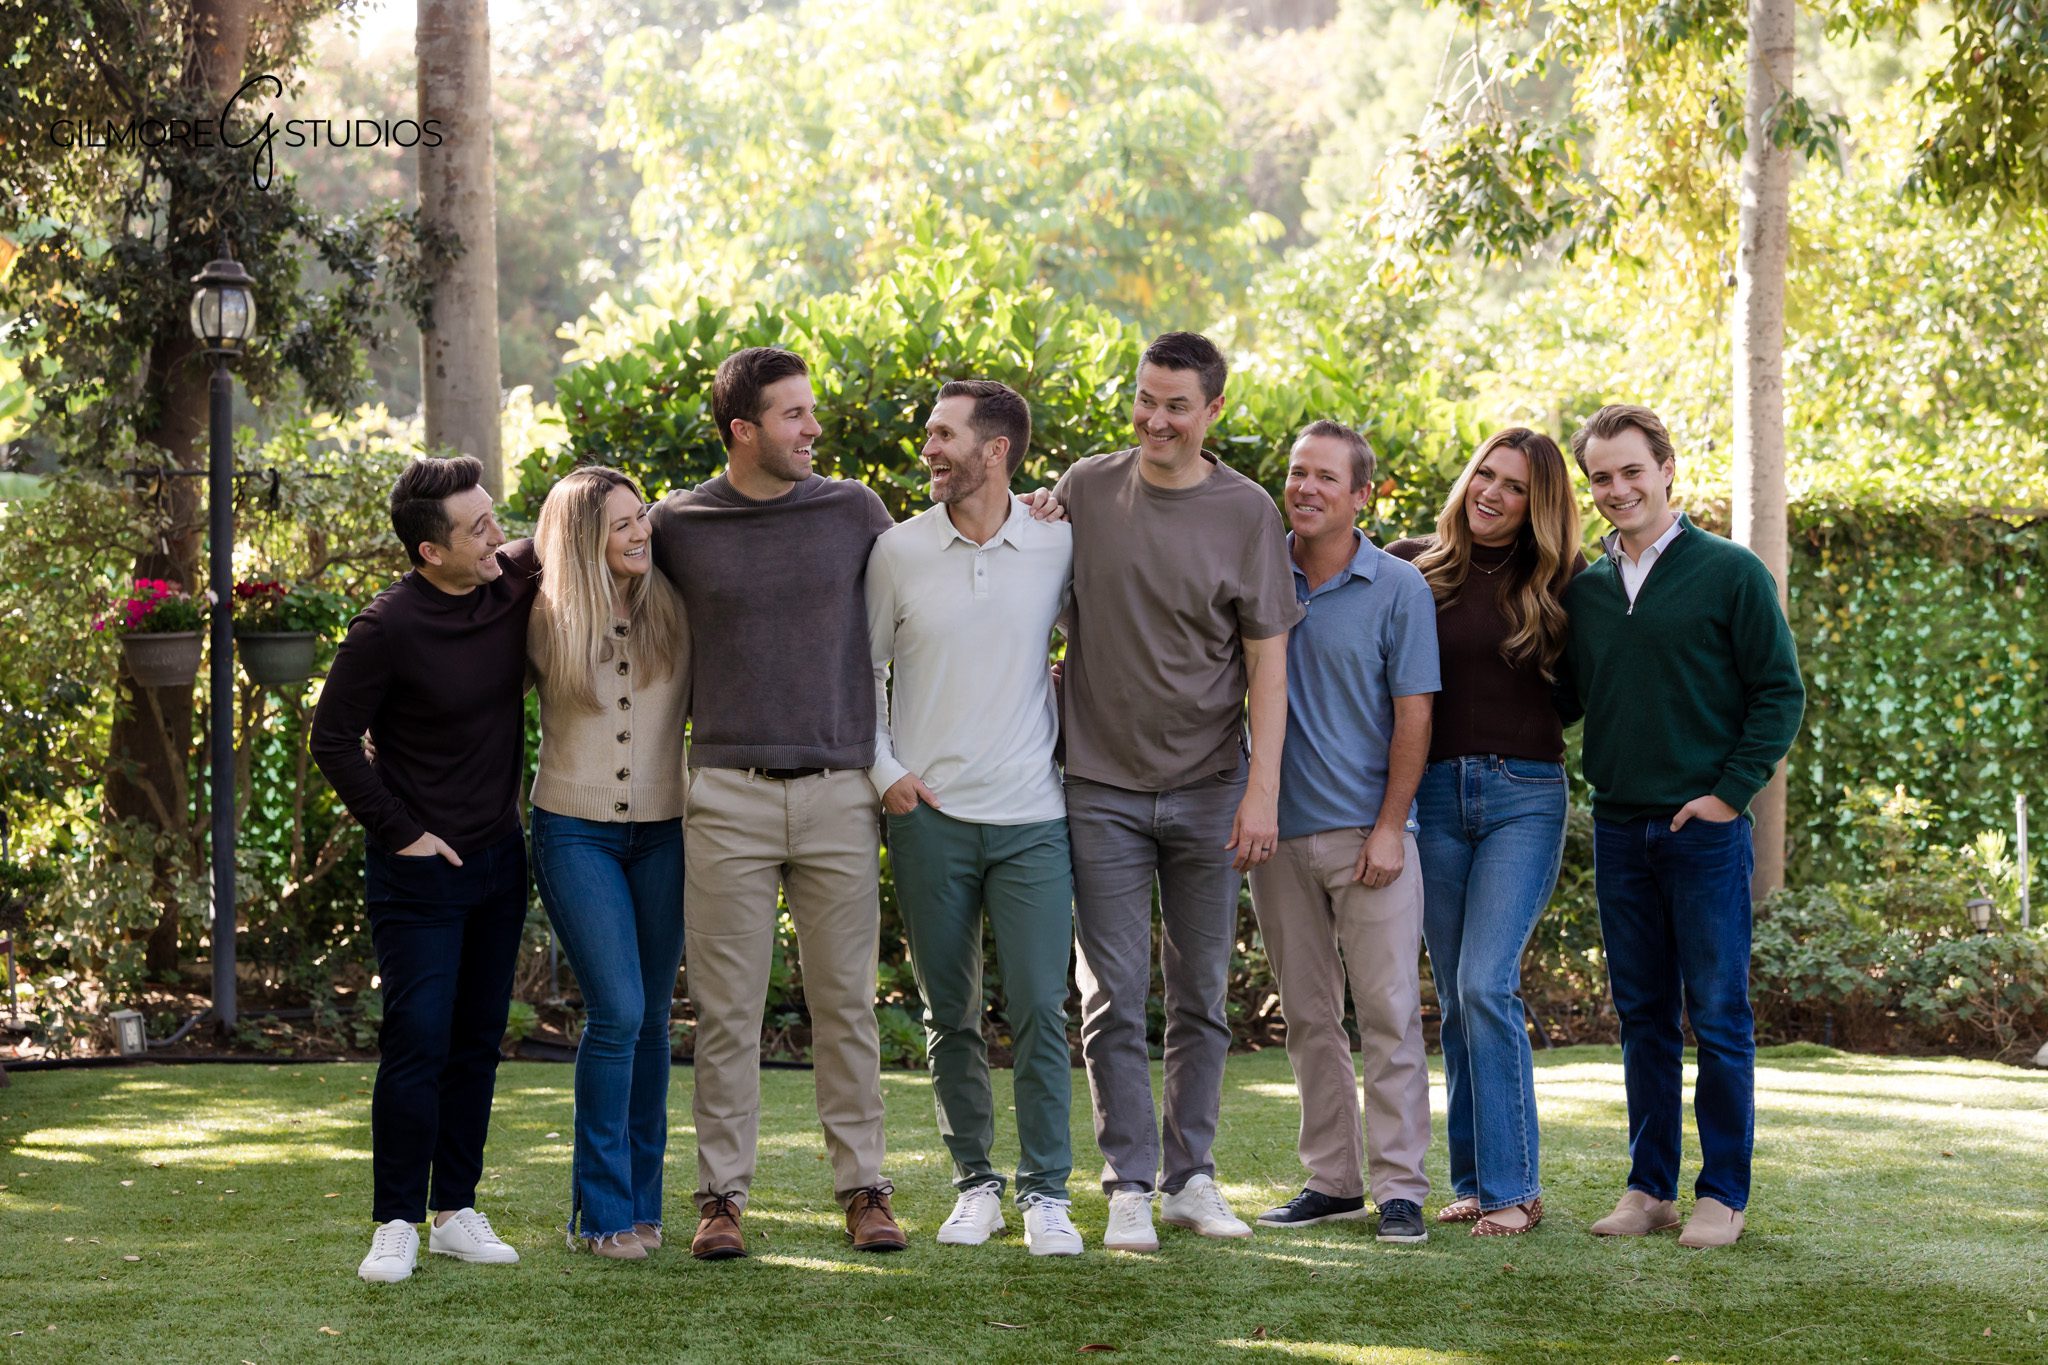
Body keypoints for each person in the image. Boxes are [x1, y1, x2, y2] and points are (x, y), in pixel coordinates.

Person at [647, 346, 907, 1260]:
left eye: (812, 411)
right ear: (742, 431)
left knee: (846, 1005)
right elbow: (587, 550)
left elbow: (938, 574)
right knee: (727, 1011)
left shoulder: (854, 511)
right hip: (724, 796)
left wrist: (1037, 509)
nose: (814, 429)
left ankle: (865, 1189)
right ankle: (720, 1198)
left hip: (840, 793)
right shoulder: (680, 522)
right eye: (794, 415)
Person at [1052, 331, 1301, 1253]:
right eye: (1145, 399)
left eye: (1177, 405)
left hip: (1209, 788)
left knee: (1200, 993)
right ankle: (1128, 1182)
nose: (1156, 419)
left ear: (1213, 411)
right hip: (1100, 786)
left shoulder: (1248, 512)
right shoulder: (1083, 488)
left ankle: (1192, 1177)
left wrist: (1260, 789)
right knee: (1110, 993)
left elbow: (1267, 664)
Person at [1560, 404, 1804, 1249]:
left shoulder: (1730, 573)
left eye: (1632, 470)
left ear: (1667, 468)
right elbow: (1561, 700)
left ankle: (1723, 1194)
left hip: (1702, 830)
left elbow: (1780, 692)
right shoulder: (1586, 593)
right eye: (1601, 476)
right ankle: (1649, 1188)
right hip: (1622, 832)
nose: (1618, 488)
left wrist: (1730, 795)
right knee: (1643, 1016)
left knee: (1719, 1013)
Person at [868, 379, 1083, 1257]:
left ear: (996, 450)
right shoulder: (897, 550)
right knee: (948, 1011)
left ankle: (1046, 1194)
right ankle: (976, 1184)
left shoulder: (1059, 544)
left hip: (1034, 815)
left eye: (944, 435)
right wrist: (888, 774)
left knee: (1040, 1007)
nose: (929, 448)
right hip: (930, 819)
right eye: (929, 433)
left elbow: (1101, 644)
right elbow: (862, 671)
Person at [311, 454, 538, 1284]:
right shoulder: (387, 628)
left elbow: (593, 526)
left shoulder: (511, 580)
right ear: (428, 553)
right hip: (419, 875)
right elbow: (332, 739)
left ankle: (455, 1210)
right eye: (477, 527)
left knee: (478, 1040)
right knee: (418, 1041)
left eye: (492, 517)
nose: (497, 536)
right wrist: (402, 831)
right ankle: (396, 1219)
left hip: (498, 860)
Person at [1388, 428, 1584, 1238]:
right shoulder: (1410, 565)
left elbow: (1579, 695)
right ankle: (1474, 1181)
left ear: (1538, 507)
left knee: (1483, 983)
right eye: (1485, 475)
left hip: (1523, 796)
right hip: (1432, 796)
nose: (1491, 493)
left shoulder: (1568, 585)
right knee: (1461, 996)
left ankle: (1515, 1188)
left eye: (1513, 487)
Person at [1249, 421, 1440, 1245]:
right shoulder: (1258, 573)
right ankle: (1333, 1180)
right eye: (1297, 473)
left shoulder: (1398, 587)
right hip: (1277, 837)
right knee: (1308, 1015)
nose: (1307, 487)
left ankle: (1401, 1188)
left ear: (1363, 494)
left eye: (1327, 476)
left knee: (1390, 1011)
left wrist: (1392, 826)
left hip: (1372, 835)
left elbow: (1415, 713)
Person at [526, 466, 690, 1260]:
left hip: (666, 831)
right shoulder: (540, 617)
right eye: (620, 523)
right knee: (619, 1010)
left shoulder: (676, 608)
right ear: (581, 536)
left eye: (642, 518)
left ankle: (642, 1203)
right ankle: (601, 1215)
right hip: (573, 830)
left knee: (653, 1019)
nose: (640, 532)